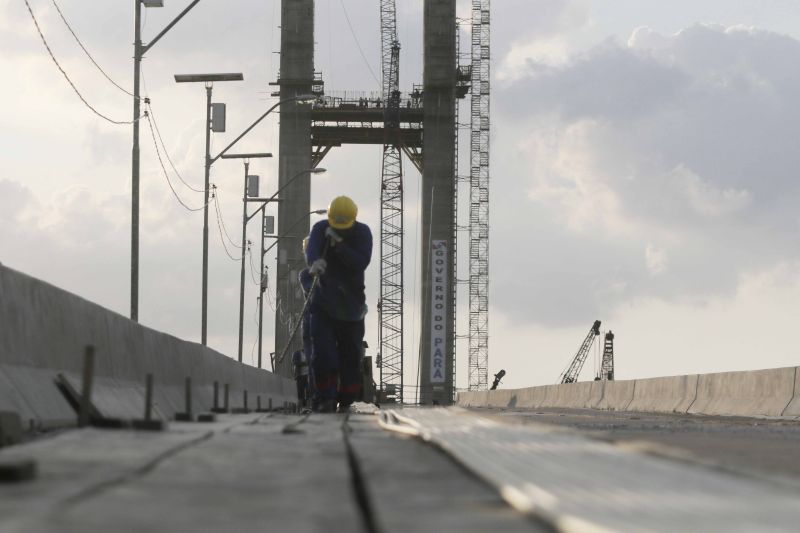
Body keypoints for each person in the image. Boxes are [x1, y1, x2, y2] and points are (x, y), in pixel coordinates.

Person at [306, 196, 372, 413]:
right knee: (323, 354)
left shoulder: (362, 233)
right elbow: (313, 250)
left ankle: (346, 398)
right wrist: (315, 262)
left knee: (351, 357)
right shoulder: (320, 229)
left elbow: (360, 262)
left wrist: (340, 246)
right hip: (324, 304)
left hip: (351, 307)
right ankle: (324, 396)